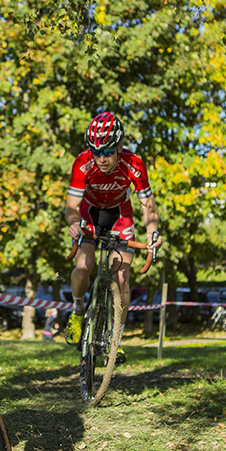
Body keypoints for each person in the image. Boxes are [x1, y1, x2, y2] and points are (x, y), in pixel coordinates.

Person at [64, 112, 161, 359]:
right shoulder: (83, 163)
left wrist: (153, 231)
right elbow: (72, 206)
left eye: (108, 152)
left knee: (121, 277)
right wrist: (74, 223)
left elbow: (148, 205)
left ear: (119, 146)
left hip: (119, 215)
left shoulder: (134, 163)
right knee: (84, 266)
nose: (101, 158)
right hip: (89, 214)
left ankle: (115, 338)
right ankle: (77, 312)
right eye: (96, 152)